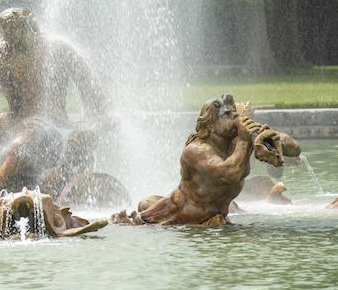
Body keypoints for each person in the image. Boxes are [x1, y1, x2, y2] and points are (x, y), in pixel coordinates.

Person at [0, 7, 111, 207]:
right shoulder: (1, 54)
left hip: (51, 122)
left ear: (26, 26)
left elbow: (88, 82)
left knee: (17, 148)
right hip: (17, 119)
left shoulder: (56, 48)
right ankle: (6, 183)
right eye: (4, 32)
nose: (7, 37)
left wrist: (96, 121)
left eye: (12, 30)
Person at [114, 93, 286, 226]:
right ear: (211, 123)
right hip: (175, 218)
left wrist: (274, 143)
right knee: (132, 224)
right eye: (227, 115)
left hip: (214, 219)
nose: (234, 118)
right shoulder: (196, 151)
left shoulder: (234, 143)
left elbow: (294, 148)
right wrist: (244, 140)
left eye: (234, 113)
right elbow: (230, 173)